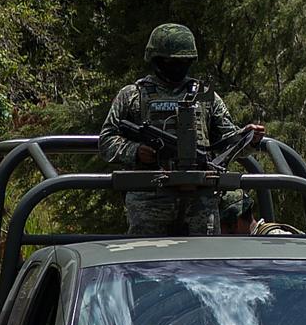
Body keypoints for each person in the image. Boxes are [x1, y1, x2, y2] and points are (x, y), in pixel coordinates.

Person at [98, 23, 262, 237]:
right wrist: (136, 151)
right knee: (147, 265)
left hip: (200, 199)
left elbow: (228, 144)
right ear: (156, 60)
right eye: (172, 61)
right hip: (150, 199)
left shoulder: (205, 96)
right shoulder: (132, 95)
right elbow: (107, 141)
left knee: (203, 265)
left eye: (184, 61)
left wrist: (249, 138)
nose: (178, 66)